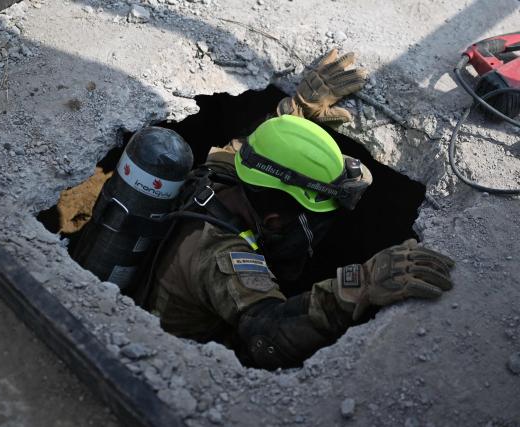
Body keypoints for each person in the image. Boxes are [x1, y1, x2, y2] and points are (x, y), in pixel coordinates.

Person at [143, 49, 455, 369]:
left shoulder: (227, 168)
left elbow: (260, 143)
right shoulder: (223, 259)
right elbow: (268, 336)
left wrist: (298, 110)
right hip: (183, 355)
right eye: (314, 216)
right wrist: (360, 283)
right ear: (274, 221)